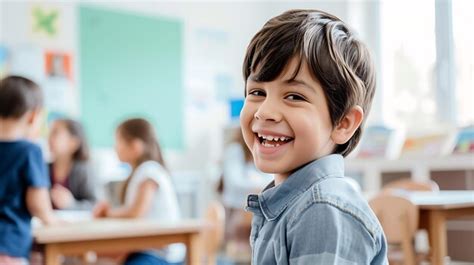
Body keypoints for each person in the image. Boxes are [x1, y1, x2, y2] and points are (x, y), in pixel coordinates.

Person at [240, 9, 388, 264]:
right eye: (257, 92)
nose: (264, 112)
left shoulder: (322, 208)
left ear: (343, 122)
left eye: (294, 97)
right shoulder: (290, 201)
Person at [93, 118, 184, 265]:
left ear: (135, 146)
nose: (115, 147)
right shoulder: (139, 172)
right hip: (147, 249)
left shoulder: (150, 170)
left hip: (161, 255)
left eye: (118, 141)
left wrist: (108, 213)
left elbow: (136, 212)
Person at [0, 76, 58, 264]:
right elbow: (37, 203)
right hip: (9, 244)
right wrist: (51, 220)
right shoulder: (30, 151)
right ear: (34, 115)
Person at [48, 118, 96, 210]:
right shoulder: (44, 168)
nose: (49, 138)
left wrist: (72, 204)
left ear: (73, 142)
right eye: (50, 133)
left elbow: (95, 205)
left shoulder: (84, 170)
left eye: (55, 133)